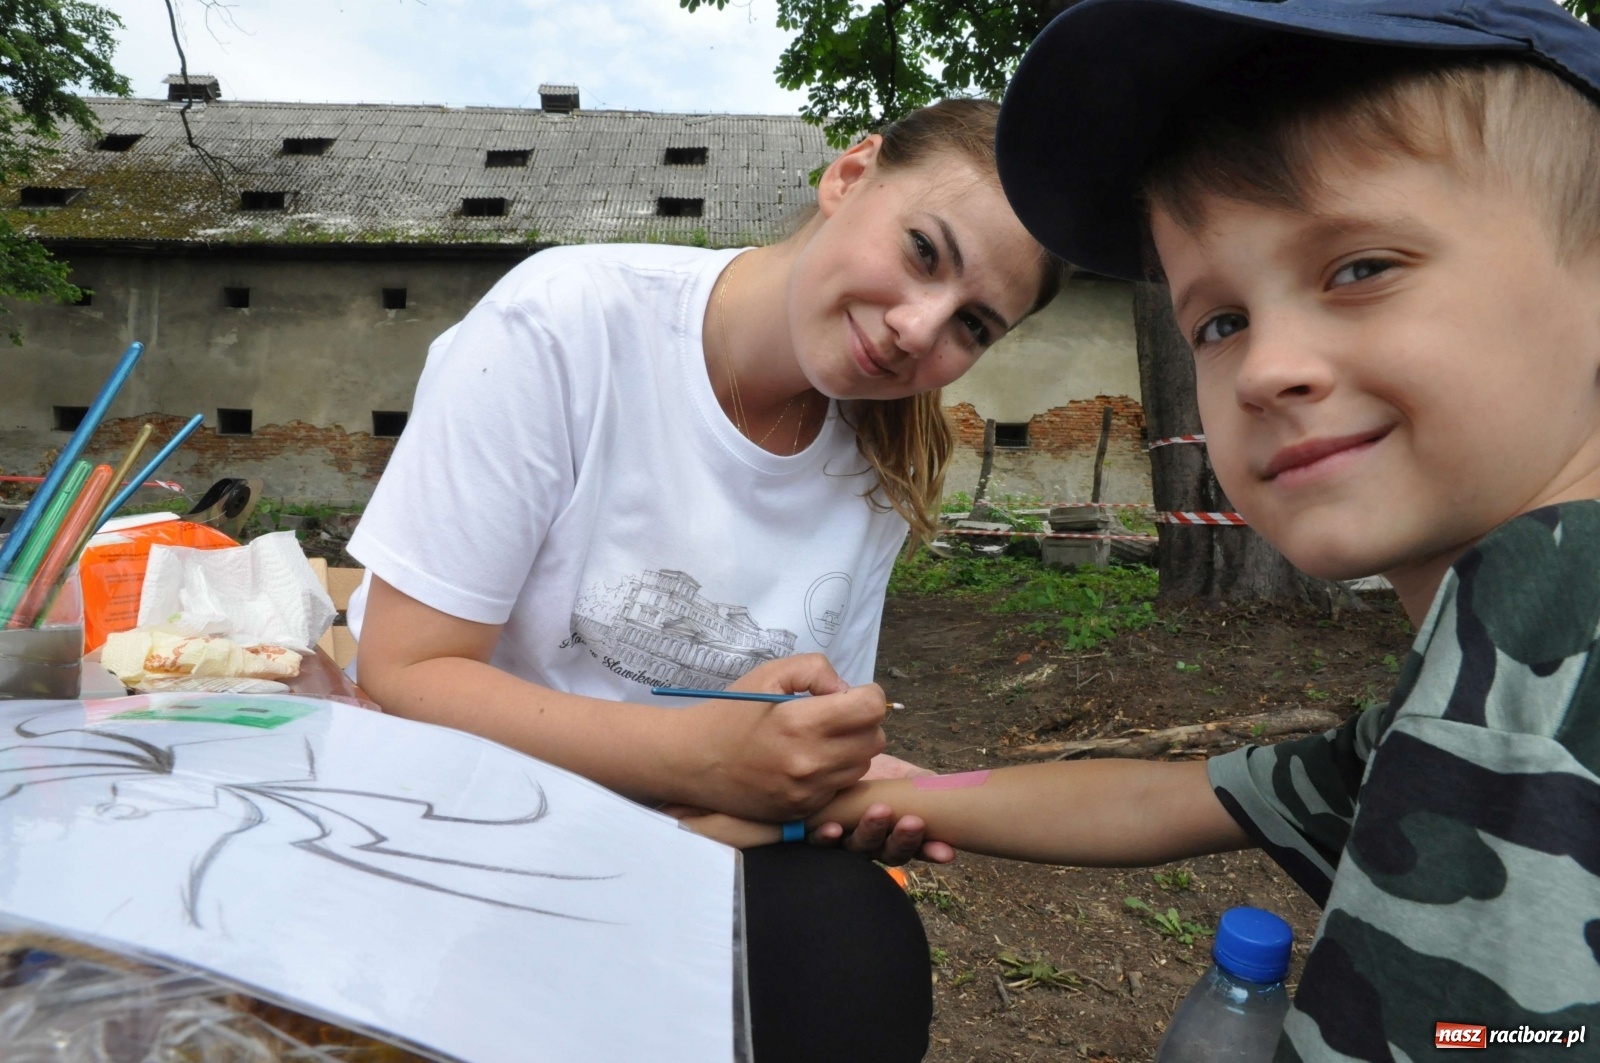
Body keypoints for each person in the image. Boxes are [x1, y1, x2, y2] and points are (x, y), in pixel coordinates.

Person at [687, 0, 1600, 1055]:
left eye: (1360, 268)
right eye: (1218, 320)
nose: (1265, 368)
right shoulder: (1473, 670)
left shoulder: (1554, 620)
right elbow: (1170, 800)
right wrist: (901, 790)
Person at [344, 97, 1064, 1062]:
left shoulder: (883, 469)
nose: (915, 329)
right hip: (465, 820)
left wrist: (824, 781)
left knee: (857, 941)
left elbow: (783, 760)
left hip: (697, 841)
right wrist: (707, 758)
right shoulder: (566, 322)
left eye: (972, 325)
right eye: (924, 252)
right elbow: (403, 673)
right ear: (850, 176)